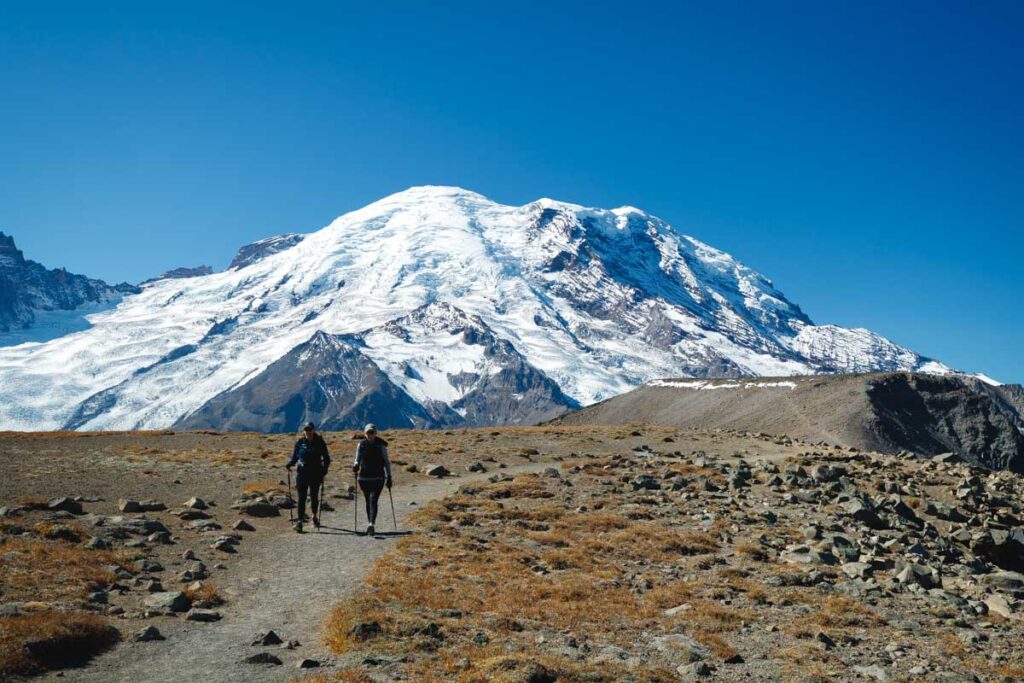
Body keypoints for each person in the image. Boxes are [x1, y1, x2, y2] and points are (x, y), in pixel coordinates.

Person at [286, 422, 331, 532]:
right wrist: (290, 464)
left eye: (310, 429)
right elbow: (295, 456)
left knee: (314, 496)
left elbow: (326, 458)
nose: (308, 432)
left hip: (316, 473)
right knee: (302, 498)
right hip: (302, 474)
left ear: (313, 430)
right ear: (303, 431)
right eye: (306, 430)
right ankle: (300, 521)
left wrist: (324, 470)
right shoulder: (300, 443)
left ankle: (314, 516)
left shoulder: (320, 442)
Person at [352, 423, 392, 536]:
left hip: (378, 478)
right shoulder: (361, 445)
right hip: (363, 478)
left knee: (373, 499)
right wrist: (355, 465)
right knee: (367, 500)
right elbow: (357, 459)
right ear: (365, 433)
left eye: (372, 432)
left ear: (375, 433)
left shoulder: (381, 445)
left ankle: (371, 524)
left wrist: (389, 476)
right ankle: (370, 522)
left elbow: (386, 462)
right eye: (368, 432)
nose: (370, 434)